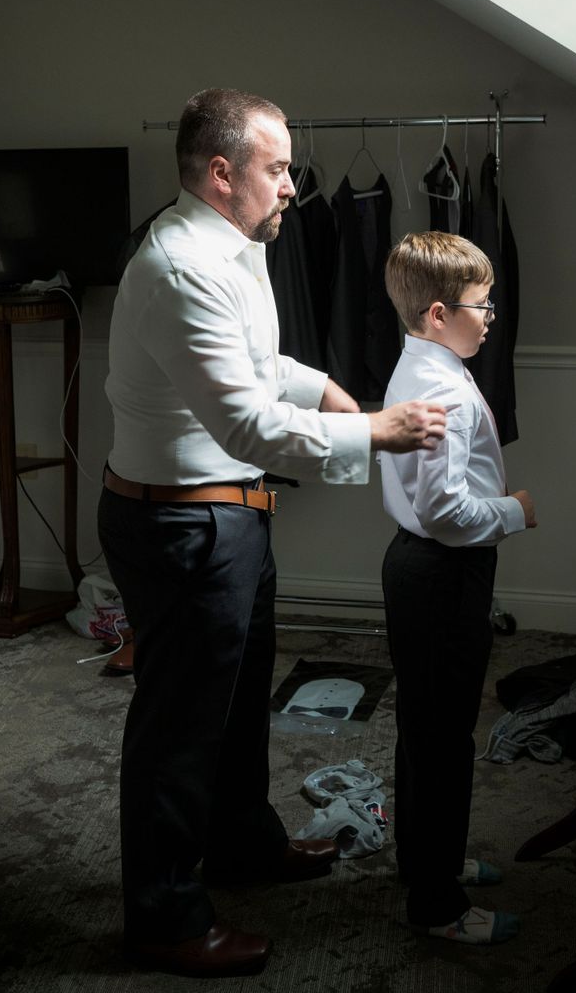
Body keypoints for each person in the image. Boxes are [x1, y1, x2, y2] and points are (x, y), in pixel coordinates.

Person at [97, 88, 448, 978]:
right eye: (278, 168)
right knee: (179, 727)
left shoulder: (235, 244)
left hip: (229, 514)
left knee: (240, 701)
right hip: (181, 522)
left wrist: (323, 386)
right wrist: (374, 431)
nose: (292, 184)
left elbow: (256, 366)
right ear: (223, 174)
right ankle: (163, 919)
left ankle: (242, 846)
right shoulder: (181, 266)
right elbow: (245, 424)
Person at [379, 230, 538, 945]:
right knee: (445, 740)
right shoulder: (442, 389)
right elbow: (446, 513)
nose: (492, 316)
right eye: (482, 305)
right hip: (443, 572)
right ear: (439, 314)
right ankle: (438, 905)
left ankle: (424, 863)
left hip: (417, 566)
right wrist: (515, 512)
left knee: (424, 728)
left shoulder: (422, 362)